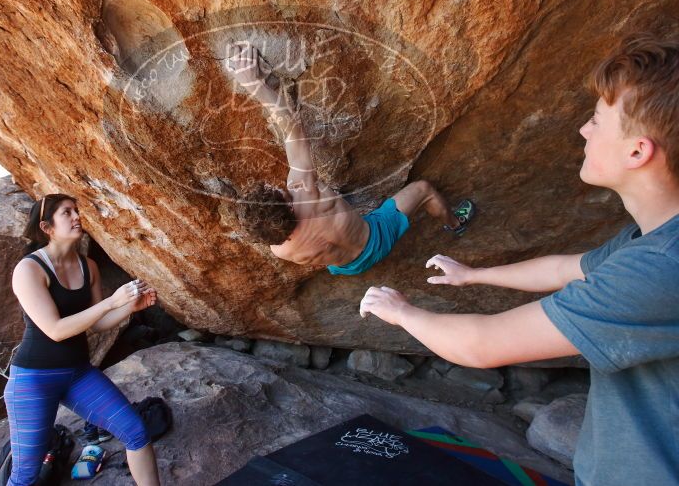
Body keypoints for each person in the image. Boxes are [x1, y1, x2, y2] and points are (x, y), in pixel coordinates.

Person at [359, 33, 679, 485]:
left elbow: (484, 344)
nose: (583, 130)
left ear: (637, 151)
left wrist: (399, 311)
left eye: (596, 120)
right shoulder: (649, 242)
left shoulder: (661, 268)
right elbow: (562, 268)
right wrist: (473, 276)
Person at [228, 44, 474, 275]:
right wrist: (254, 85)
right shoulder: (304, 190)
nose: (277, 186)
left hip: (348, 267)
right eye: (275, 191)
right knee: (424, 189)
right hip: (376, 238)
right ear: (290, 206)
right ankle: (455, 223)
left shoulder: (281, 250)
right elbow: (293, 129)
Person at [4, 194, 161, 486]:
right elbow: (56, 330)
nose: (77, 217)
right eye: (67, 213)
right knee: (25, 474)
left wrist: (128, 308)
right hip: (34, 379)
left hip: (77, 373)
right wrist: (112, 303)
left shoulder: (88, 266)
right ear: (46, 226)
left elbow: (98, 324)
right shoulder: (29, 270)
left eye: (76, 211)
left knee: (136, 432)